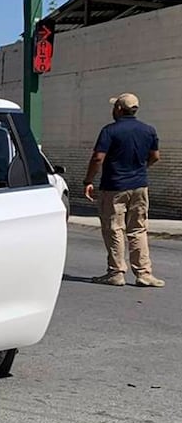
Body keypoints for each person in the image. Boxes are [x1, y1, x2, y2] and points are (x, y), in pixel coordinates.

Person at [83, 93, 164, 287]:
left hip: (114, 187)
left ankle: (116, 272)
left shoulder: (110, 131)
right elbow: (155, 156)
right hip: (139, 186)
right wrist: (140, 169)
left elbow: (97, 158)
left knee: (114, 228)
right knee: (138, 229)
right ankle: (144, 273)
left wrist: (88, 180)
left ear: (119, 109)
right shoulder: (148, 130)